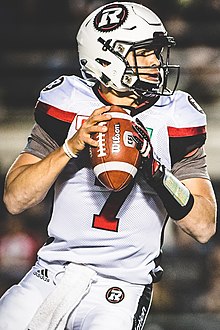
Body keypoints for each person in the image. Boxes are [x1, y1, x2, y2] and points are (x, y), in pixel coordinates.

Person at [0, 2, 217, 330]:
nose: (156, 62)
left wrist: (156, 171)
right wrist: (70, 148)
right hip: (50, 273)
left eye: (156, 52)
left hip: (121, 288)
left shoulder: (176, 116)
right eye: (145, 53)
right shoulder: (68, 102)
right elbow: (16, 199)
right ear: (107, 58)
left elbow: (204, 226)